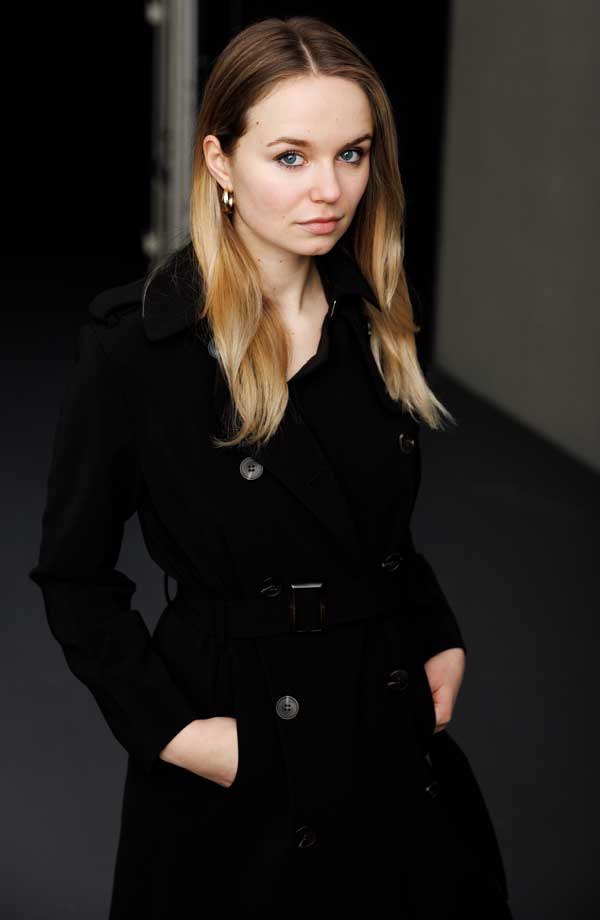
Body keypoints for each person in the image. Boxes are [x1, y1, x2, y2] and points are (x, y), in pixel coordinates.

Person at [29, 15, 514, 919]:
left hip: (384, 713)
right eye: (291, 157)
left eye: (352, 154)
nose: (330, 189)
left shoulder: (375, 320)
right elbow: (73, 576)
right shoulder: (138, 349)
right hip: (237, 734)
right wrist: (178, 733)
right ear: (220, 161)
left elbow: (380, 535)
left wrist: (436, 630)